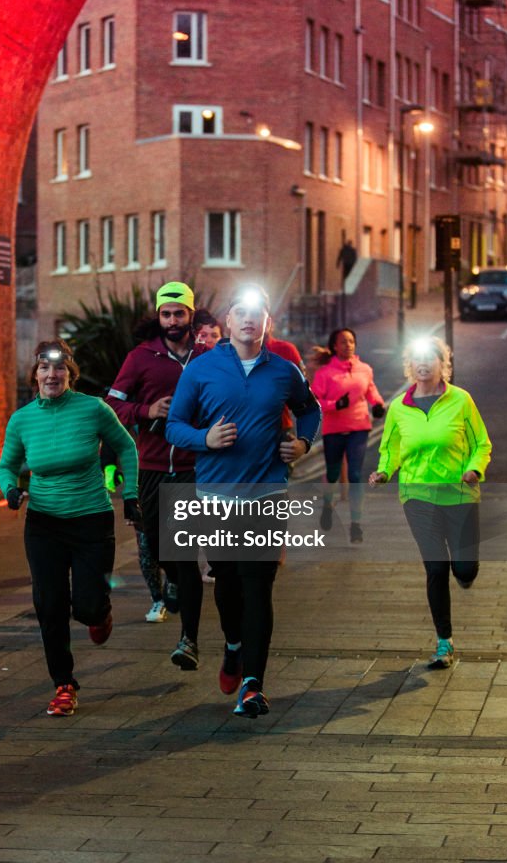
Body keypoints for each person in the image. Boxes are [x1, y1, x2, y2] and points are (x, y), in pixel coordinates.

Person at [166, 283, 322, 718]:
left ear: (267, 323)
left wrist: (304, 443)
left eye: (258, 312)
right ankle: (233, 646)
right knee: (229, 588)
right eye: (240, 312)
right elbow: (174, 426)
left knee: (259, 586)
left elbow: (310, 410)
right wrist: (205, 438)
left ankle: (253, 684)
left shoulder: (284, 370)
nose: (249, 319)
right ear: (227, 322)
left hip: (267, 492)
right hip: (215, 495)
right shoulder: (200, 370)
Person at [0, 340, 140, 717]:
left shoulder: (93, 409)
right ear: (35, 375)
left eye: (59, 369)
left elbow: (127, 448)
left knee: (88, 607)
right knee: (49, 604)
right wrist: (10, 489)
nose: (52, 375)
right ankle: (64, 684)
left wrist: (133, 494)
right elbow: (6, 465)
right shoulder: (22, 419)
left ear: (70, 374)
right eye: (44, 368)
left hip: (91, 519)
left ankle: (99, 614)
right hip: (44, 524)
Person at [369, 336, 492, 669]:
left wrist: (473, 469)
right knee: (436, 567)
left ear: (443, 364)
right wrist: (383, 472)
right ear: (411, 366)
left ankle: (464, 573)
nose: (423, 365)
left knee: (464, 568)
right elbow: (390, 448)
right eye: (417, 360)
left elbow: (482, 443)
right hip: (417, 496)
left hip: (460, 494)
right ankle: (444, 642)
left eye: (430, 359)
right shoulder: (398, 407)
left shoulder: (461, 401)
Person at [106, 281, 205, 670]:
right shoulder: (141, 357)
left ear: (191, 316)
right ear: (158, 317)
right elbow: (112, 404)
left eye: (179, 313)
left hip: (193, 468)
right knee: (161, 548)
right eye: (167, 314)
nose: (173, 320)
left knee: (184, 552)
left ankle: (190, 640)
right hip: (150, 466)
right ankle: (175, 580)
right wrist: (147, 411)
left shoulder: (207, 357)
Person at [311, 328, 385, 542]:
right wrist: (335, 405)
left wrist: (378, 405)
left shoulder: (365, 369)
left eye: (351, 341)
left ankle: (355, 524)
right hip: (334, 429)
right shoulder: (325, 374)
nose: (348, 345)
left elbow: (371, 391)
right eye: (343, 342)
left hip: (358, 427)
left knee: (354, 475)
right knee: (333, 473)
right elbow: (315, 402)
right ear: (334, 346)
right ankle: (327, 505)